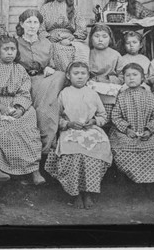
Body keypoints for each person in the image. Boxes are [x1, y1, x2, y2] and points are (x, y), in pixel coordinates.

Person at [0, 9, 67, 153]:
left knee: (57, 80)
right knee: (37, 107)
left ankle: (46, 146)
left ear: (40, 25)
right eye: (29, 22)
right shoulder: (15, 43)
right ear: (21, 23)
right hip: (20, 81)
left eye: (35, 22)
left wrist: (50, 68)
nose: (32, 26)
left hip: (42, 80)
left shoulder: (47, 43)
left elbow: (52, 63)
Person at [0, 35, 45, 185]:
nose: (9, 52)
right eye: (5, 49)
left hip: (16, 104)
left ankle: (34, 170)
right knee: (0, 126)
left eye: (12, 49)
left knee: (27, 124)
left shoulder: (20, 69)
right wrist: (1, 108)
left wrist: (20, 109)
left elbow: (24, 92)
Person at [44, 62, 112, 209]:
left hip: (91, 130)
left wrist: (94, 120)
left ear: (88, 76)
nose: (80, 76)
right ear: (69, 76)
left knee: (94, 153)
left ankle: (88, 192)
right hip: (70, 130)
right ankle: (76, 194)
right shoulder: (64, 93)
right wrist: (68, 124)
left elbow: (103, 115)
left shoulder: (92, 93)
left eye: (83, 73)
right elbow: (56, 117)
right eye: (76, 73)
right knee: (72, 153)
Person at [109, 63, 154, 183]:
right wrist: (127, 130)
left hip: (146, 132)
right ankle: (132, 181)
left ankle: (153, 182)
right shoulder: (121, 97)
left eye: (135, 75)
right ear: (124, 78)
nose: (131, 78)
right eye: (128, 75)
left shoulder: (150, 96)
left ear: (142, 78)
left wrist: (149, 130)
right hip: (126, 133)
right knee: (122, 149)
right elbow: (116, 116)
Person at [39, 0, 89, 67]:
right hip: (50, 40)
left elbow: (82, 30)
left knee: (82, 50)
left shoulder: (75, 8)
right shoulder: (45, 8)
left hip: (71, 40)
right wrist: (49, 36)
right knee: (56, 49)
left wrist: (71, 38)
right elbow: (40, 29)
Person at [87, 23, 122, 121]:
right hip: (92, 84)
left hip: (110, 85)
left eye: (104, 36)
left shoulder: (116, 55)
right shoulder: (87, 52)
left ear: (110, 39)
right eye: (96, 36)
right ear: (91, 38)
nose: (100, 39)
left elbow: (122, 74)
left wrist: (109, 80)